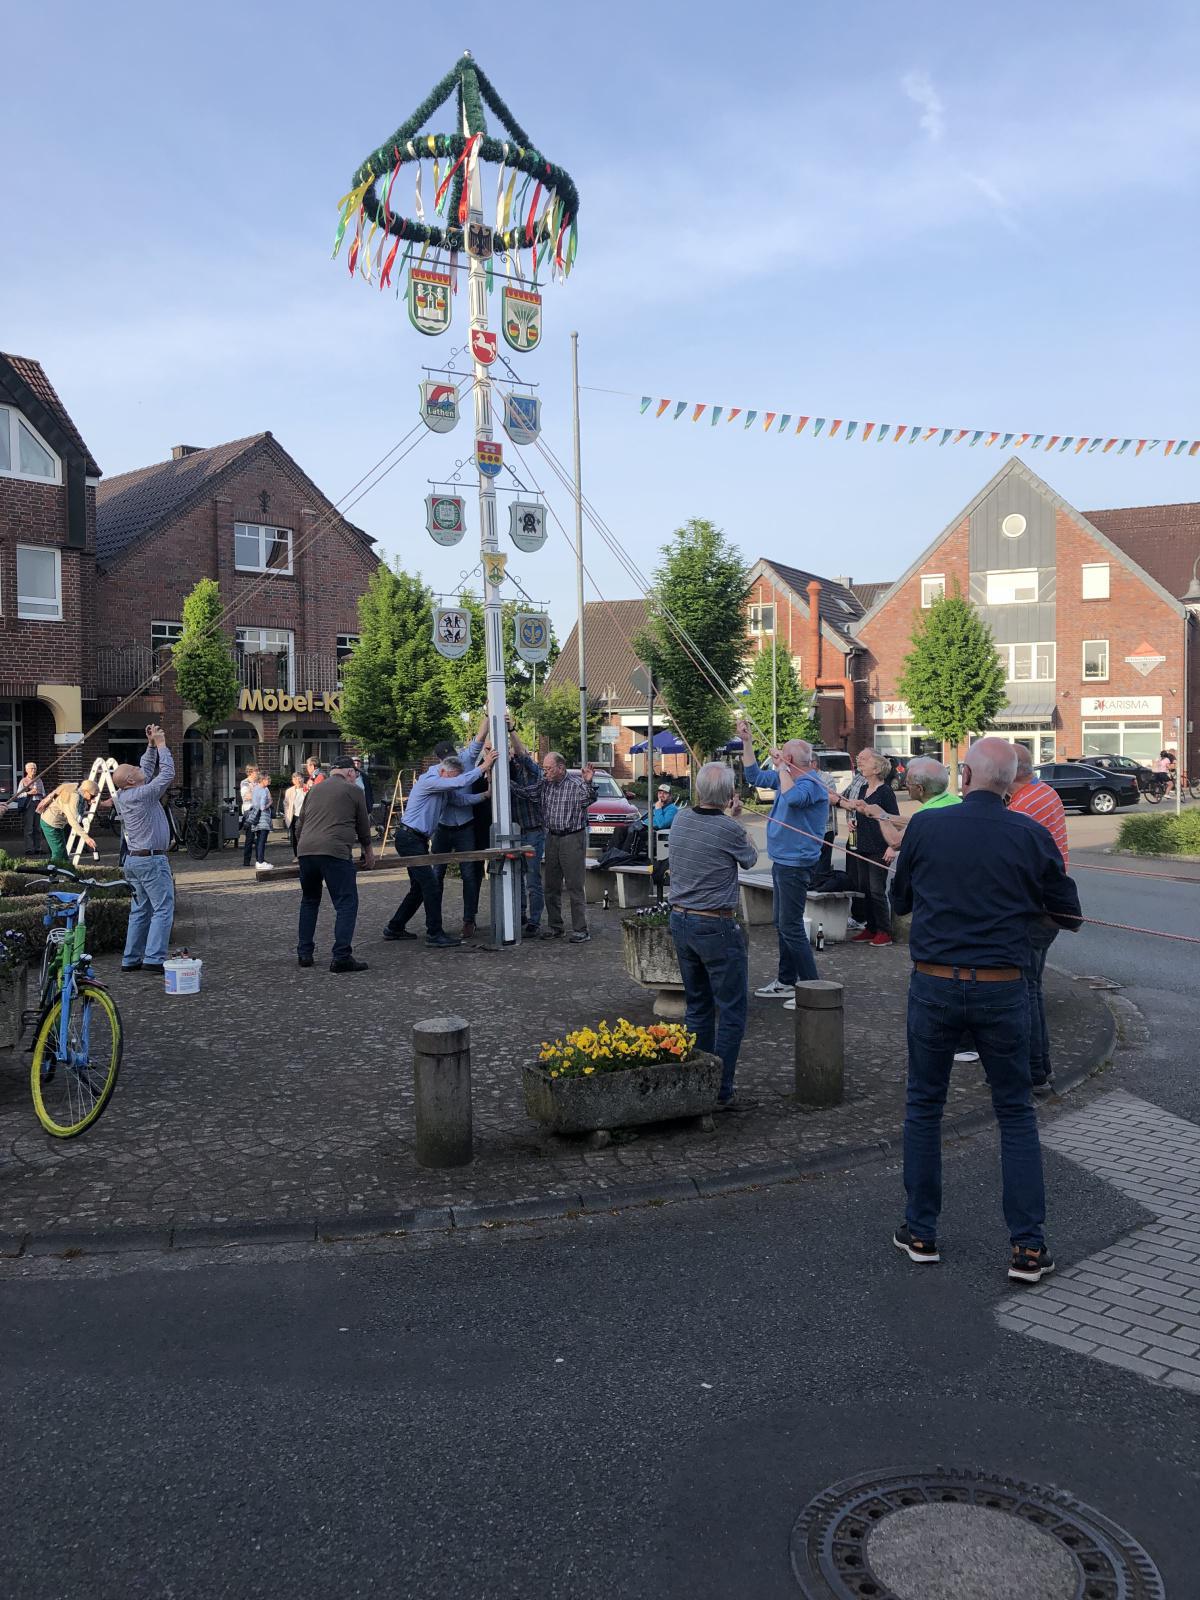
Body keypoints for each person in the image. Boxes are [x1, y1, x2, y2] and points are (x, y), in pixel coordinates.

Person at [890, 736, 1081, 1283]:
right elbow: (1068, 913)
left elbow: (899, 901)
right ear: (1011, 783)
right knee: (1016, 1112)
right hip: (1003, 987)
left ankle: (921, 1231)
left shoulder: (926, 826)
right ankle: (1027, 1247)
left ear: (966, 778)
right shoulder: (1031, 833)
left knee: (924, 1107)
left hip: (934, 984)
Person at [668, 763, 759, 1107]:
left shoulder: (680, 819)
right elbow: (749, 858)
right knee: (732, 1010)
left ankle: (698, 1082)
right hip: (715, 925)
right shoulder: (728, 828)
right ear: (728, 795)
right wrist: (737, 819)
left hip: (680, 920)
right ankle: (721, 1089)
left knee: (698, 1006)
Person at [736, 718, 829, 1006]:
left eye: (783, 754)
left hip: (795, 864)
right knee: (783, 923)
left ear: (789, 759)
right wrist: (747, 742)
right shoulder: (787, 776)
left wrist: (781, 768)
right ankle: (787, 981)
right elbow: (753, 777)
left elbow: (792, 799)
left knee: (789, 926)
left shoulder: (811, 783)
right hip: (783, 861)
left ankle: (813, 989)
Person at [383, 744, 498, 948]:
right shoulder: (430, 781)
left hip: (414, 839)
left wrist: (485, 796)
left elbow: (460, 799)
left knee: (419, 887)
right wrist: (484, 766)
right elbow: (461, 782)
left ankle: (395, 926)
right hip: (410, 838)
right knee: (430, 885)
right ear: (444, 770)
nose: (454, 782)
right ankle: (434, 933)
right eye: (452, 777)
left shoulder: (443, 784)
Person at [1007, 744, 1070, 1097]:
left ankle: (1033, 1072)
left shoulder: (1025, 805)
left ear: (1012, 772)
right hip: (1047, 907)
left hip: (1034, 910)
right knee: (1031, 988)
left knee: (1024, 990)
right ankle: (1037, 1069)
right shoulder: (1042, 793)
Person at [295, 755, 375, 972]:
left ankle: (304, 953)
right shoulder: (355, 791)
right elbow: (363, 825)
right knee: (346, 903)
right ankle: (341, 956)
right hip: (335, 851)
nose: (355, 777)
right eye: (355, 774)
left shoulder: (314, 790)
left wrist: (300, 851)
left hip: (307, 851)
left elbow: (300, 823)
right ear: (350, 772)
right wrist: (368, 851)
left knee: (309, 900)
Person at [112, 726, 178, 974]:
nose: (139, 768)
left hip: (133, 861)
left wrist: (150, 746)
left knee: (139, 910)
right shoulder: (143, 795)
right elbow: (167, 773)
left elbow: (147, 770)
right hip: (151, 860)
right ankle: (154, 958)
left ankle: (131, 959)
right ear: (130, 780)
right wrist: (161, 744)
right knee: (162, 907)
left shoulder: (125, 794)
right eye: (134, 769)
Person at [513, 753, 597, 941]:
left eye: (548, 768)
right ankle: (555, 926)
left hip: (572, 837)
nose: (545, 772)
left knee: (574, 885)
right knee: (550, 885)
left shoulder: (576, 784)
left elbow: (589, 798)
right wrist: (503, 781)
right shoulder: (544, 785)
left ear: (561, 768)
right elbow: (526, 793)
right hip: (551, 837)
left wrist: (589, 782)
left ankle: (581, 929)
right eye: (544, 768)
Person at [433, 721, 489, 939]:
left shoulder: (465, 759)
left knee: (470, 874)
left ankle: (469, 919)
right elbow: (456, 800)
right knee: (436, 875)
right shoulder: (435, 775)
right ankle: (435, 923)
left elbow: (479, 739)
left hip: (465, 826)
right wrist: (483, 795)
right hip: (444, 826)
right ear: (440, 761)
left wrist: (486, 715)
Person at [837, 748, 898, 946]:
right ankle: (870, 928)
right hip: (861, 845)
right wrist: (854, 822)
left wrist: (893, 847)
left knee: (877, 890)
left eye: (865, 760)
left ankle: (884, 931)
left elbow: (895, 820)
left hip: (879, 847)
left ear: (877, 767)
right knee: (864, 889)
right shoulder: (864, 789)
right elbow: (862, 814)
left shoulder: (886, 792)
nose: (860, 763)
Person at [508, 726, 546, 937]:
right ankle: (521, 913)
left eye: (514, 756)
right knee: (516, 875)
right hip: (516, 832)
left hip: (533, 833)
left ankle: (535, 920)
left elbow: (523, 756)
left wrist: (511, 730)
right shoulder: (506, 772)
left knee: (532, 877)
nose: (513, 758)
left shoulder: (532, 773)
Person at [36, 780, 99, 864]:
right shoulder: (74, 797)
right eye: (92, 796)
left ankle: (66, 872)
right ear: (86, 791)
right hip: (50, 823)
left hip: (57, 824)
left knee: (63, 854)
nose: (93, 798)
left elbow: (81, 804)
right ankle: (51, 872)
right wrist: (86, 838)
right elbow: (72, 820)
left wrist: (90, 801)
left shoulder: (78, 793)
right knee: (58, 853)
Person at [14, 762, 46, 856]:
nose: (33, 770)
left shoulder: (39, 780)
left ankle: (38, 848)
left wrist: (39, 794)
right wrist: (29, 793)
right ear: (26, 770)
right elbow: (17, 795)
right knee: (29, 828)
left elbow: (44, 794)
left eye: (35, 768)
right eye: (31, 768)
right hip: (29, 805)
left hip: (38, 804)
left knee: (38, 828)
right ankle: (29, 849)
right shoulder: (23, 781)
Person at [248, 772, 273, 869]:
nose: (269, 780)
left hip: (255, 817)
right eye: (268, 779)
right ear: (262, 780)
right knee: (262, 841)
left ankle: (259, 860)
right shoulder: (263, 791)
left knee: (259, 840)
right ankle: (261, 861)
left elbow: (255, 804)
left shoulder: (255, 789)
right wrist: (269, 803)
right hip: (263, 818)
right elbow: (262, 807)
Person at [239, 764, 259, 864]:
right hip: (249, 810)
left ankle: (260, 858)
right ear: (250, 772)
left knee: (260, 835)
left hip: (259, 810)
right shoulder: (244, 783)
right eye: (256, 771)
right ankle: (246, 860)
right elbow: (246, 796)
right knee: (250, 836)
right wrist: (259, 795)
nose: (258, 773)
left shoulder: (258, 782)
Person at [282, 772, 306, 857]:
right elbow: (286, 804)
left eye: (300, 778)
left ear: (303, 779)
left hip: (306, 816)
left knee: (305, 836)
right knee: (295, 836)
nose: (298, 780)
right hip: (294, 816)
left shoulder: (308, 788)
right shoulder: (289, 791)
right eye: (295, 779)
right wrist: (286, 815)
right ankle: (297, 856)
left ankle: (306, 854)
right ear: (292, 780)